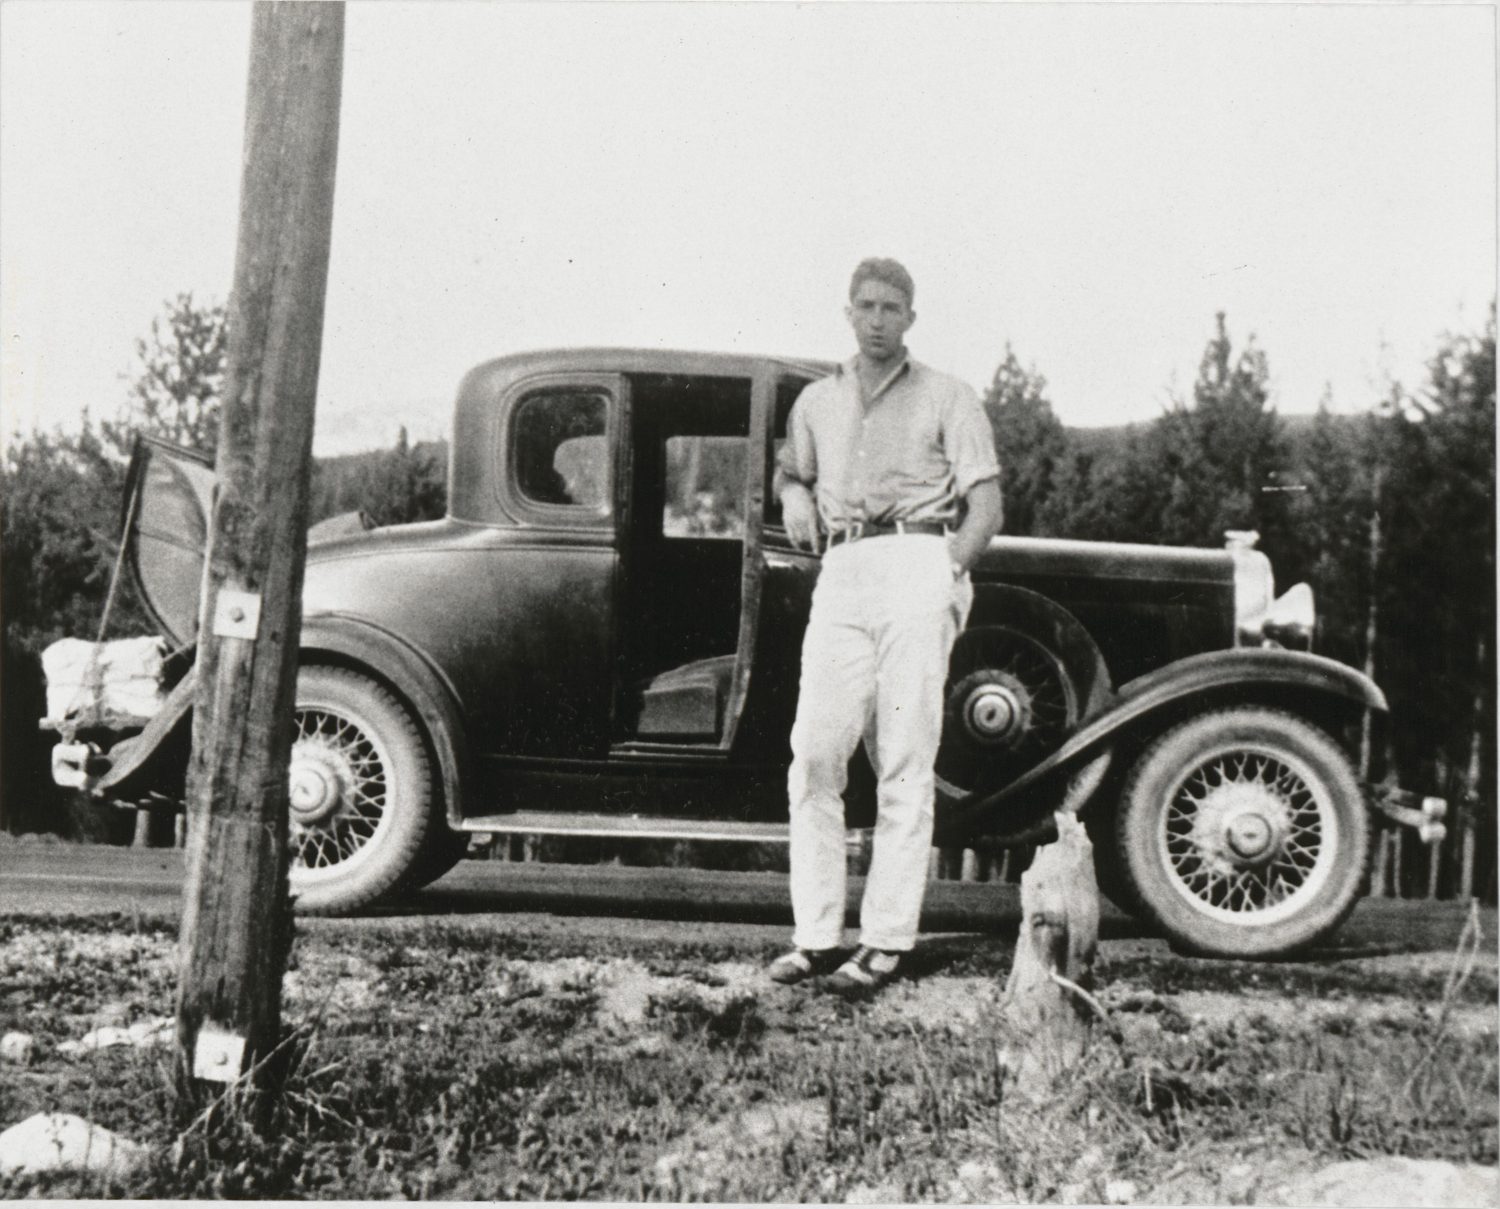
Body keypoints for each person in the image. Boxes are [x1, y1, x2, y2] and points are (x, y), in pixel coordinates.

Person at [768, 258, 1003, 995]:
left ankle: (887, 941)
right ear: (847, 311)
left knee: (903, 758)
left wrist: (946, 571)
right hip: (842, 569)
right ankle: (815, 937)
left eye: (891, 307)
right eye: (865, 305)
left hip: (916, 559)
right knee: (814, 752)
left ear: (910, 316)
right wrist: (794, 493)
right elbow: (790, 471)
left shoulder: (948, 396)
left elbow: (986, 505)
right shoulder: (816, 401)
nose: (877, 318)